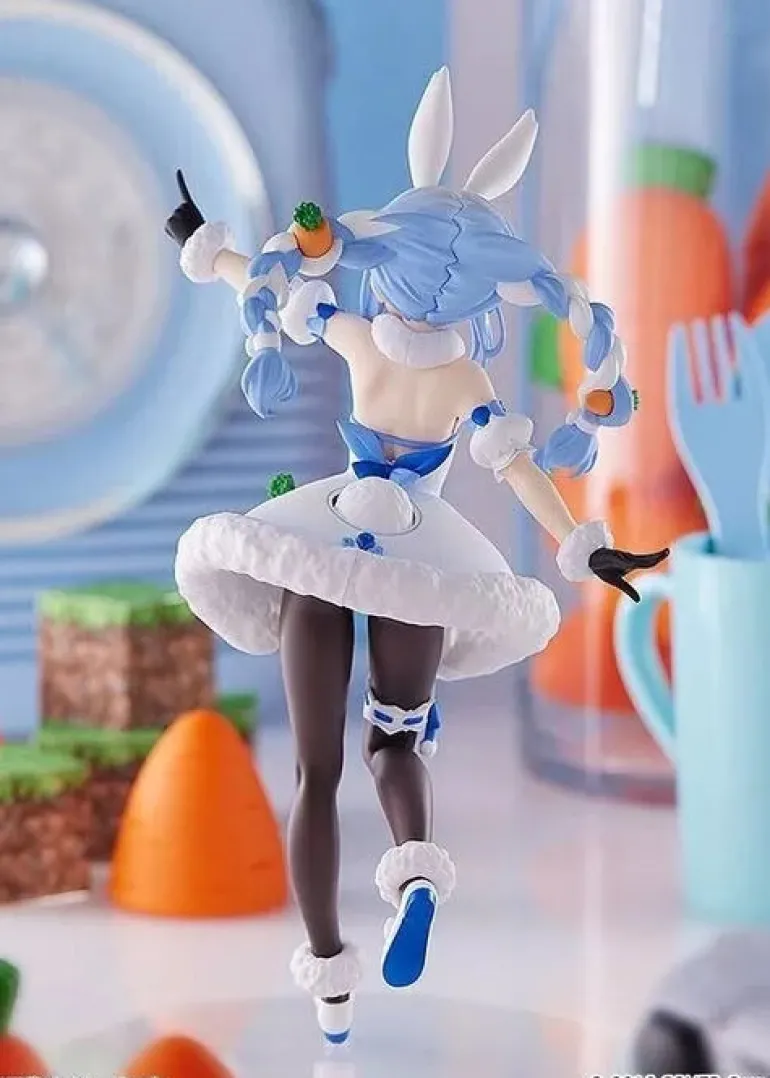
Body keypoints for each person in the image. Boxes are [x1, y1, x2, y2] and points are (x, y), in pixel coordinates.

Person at [165, 67, 668, 1046]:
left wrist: (201, 243)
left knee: (314, 772)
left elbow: (257, 281)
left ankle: (329, 982)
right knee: (394, 743)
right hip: (420, 558)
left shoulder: (360, 339)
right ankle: (418, 877)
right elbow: (518, 469)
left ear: (390, 257)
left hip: (324, 545)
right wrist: (582, 546)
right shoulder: (467, 380)